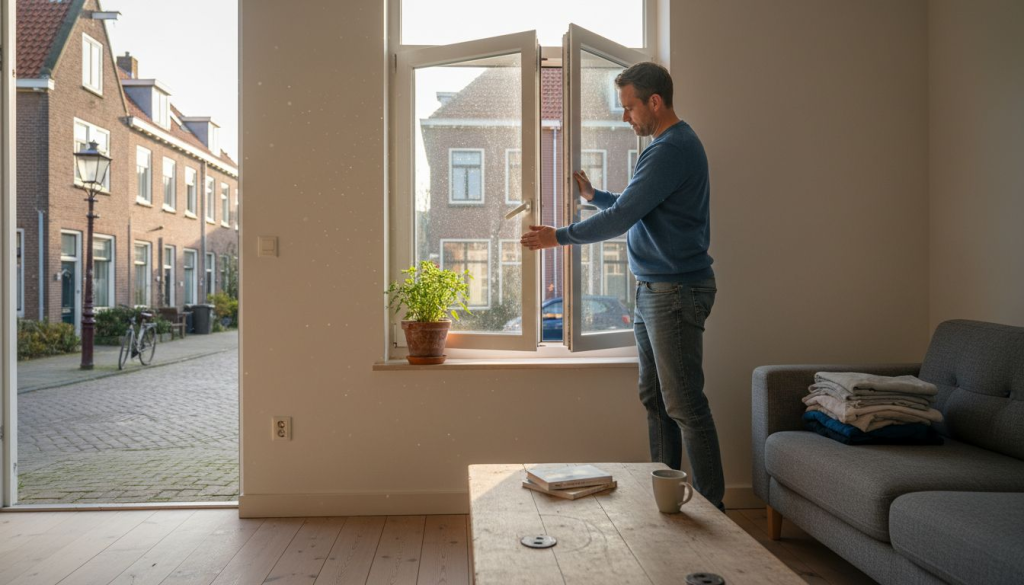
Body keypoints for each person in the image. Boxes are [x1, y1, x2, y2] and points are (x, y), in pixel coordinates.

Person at [520, 62, 725, 511]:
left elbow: (623, 218)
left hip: (674, 291)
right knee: (655, 399)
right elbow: (638, 207)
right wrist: (596, 198)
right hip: (656, 290)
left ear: (655, 102)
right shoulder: (664, 148)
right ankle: (667, 497)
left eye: (629, 106)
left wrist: (557, 236)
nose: (624, 116)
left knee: (685, 404)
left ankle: (715, 512)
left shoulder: (672, 148)